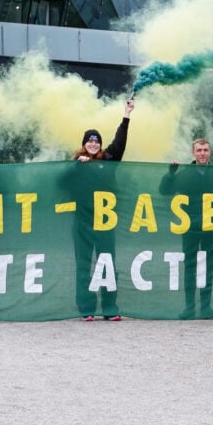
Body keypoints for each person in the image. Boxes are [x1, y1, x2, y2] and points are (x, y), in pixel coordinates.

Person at [66, 98, 134, 321]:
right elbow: (60, 181)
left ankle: (109, 308)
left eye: (96, 142)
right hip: (83, 223)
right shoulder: (76, 162)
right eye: (89, 141)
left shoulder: (109, 159)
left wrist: (126, 115)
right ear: (84, 144)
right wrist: (77, 166)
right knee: (84, 264)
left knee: (107, 263)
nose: (93, 144)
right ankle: (86, 309)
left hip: (105, 221)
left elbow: (120, 142)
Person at [159, 138, 213, 320]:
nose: (202, 153)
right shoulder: (185, 174)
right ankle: (189, 307)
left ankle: (206, 307)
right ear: (193, 153)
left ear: (209, 152)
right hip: (190, 227)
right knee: (190, 266)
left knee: (208, 266)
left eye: (205, 150)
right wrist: (170, 174)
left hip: (211, 226)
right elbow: (164, 190)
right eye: (199, 150)